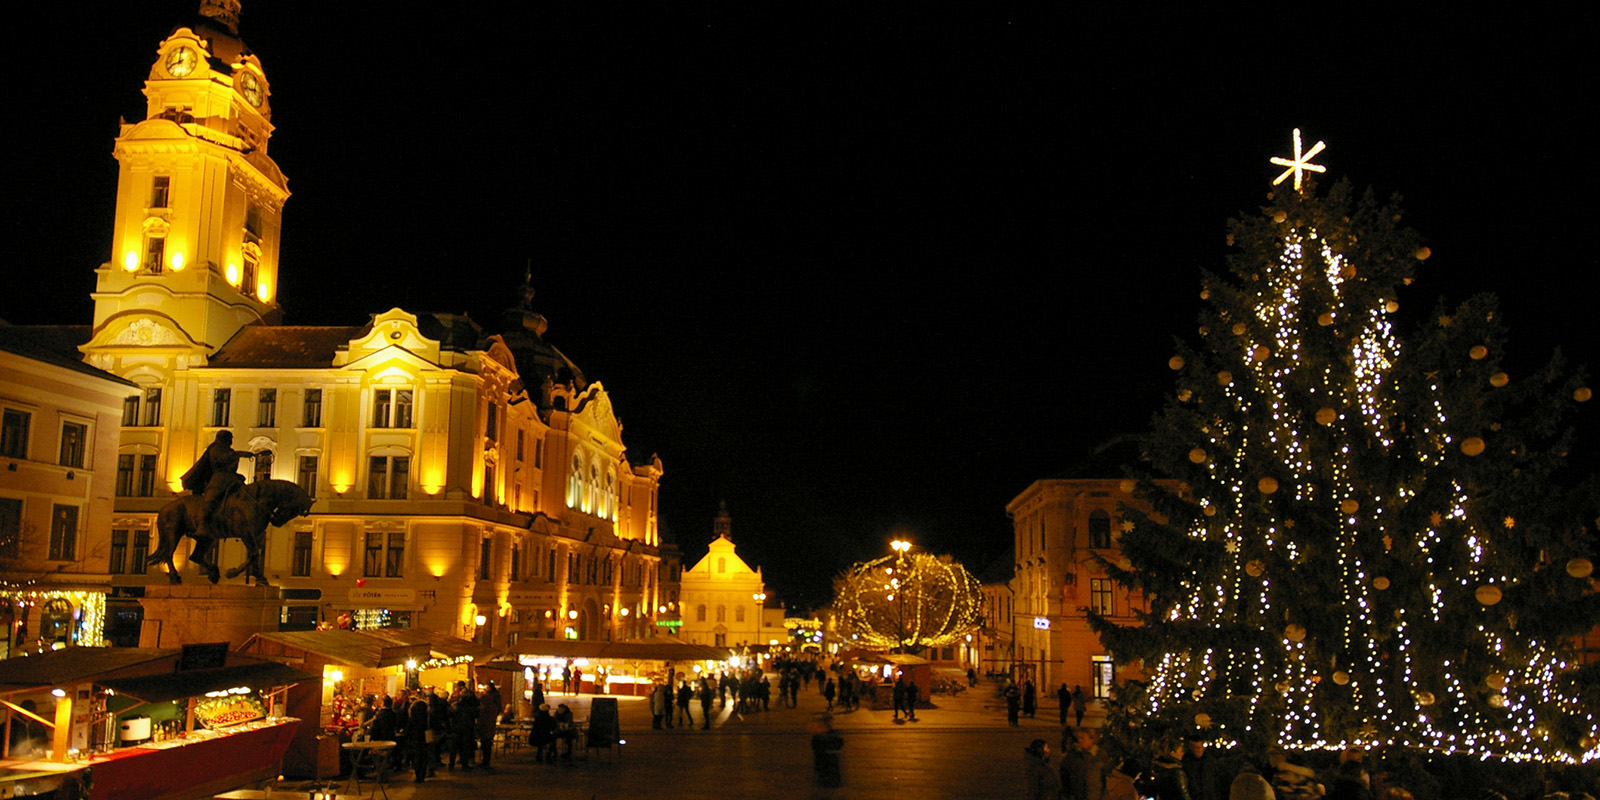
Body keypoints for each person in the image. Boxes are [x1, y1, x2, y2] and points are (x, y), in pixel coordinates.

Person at [179, 430, 258, 540]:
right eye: (230, 438)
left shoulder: (227, 450)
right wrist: (240, 454)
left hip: (231, 478)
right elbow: (224, 458)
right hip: (219, 479)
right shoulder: (215, 449)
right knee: (211, 499)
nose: (231, 441)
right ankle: (202, 525)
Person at [448, 682, 478, 771]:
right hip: (466, 729)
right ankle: (464, 765)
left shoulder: (455, 705)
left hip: (456, 728)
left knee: (454, 748)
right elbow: (476, 714)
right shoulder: (470, 708)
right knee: (464, 747)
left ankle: (451, 765)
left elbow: (450, 715)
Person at [811, 713, 845, 788]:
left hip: (826, 757)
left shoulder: (821, 731)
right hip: (827, 757)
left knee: (825, 772)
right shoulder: (825, 731)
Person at [406, 691, 430, 784]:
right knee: (423, 757)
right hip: (424, 739)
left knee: (416, 757)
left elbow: (408, 730)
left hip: (415, 740)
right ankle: (422, 775)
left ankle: (418, 775)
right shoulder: (426, 718)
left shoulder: (413, 719)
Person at [477, 681, 502, 769]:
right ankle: (486, 761)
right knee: (487, 744)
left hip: (485, 726)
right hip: (490, 726)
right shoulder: (495, 701)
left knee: (485, 744)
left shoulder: (487, 700)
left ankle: (485, 762)